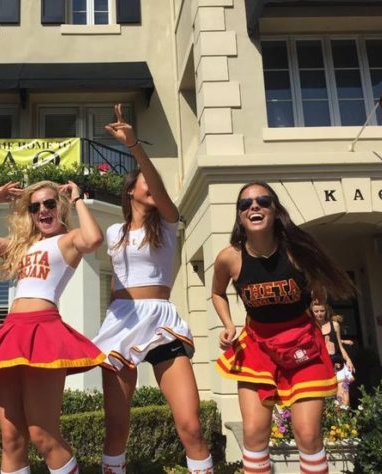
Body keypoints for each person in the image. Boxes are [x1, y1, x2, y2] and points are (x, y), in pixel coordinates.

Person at [92, 105, 213, 474]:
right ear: (130, 190)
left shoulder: (168, 224)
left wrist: (134, 146)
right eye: (143, 179)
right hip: (123, 321)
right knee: (117, 428)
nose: (152, 183)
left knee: (191, 426)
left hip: (162, 321)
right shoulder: (114, 232)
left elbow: (159, 190)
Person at [212, 182, 356, 474]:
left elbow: (319, 287)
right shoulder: (230, 258)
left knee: (308, 435)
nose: (254, 206)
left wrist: (316, 307)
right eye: (245, 204)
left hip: (302, 345)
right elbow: (217, 292)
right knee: (254, 434)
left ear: (275, 210)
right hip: (257, 347)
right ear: (240, 216)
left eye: (263, 201)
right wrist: (228, 325)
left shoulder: (297, 253)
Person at [0, 179, 105, 474]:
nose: (42, 210)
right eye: (34, 207)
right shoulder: (23, 247)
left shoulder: (69, 240)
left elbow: (94, 238)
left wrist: (78, 198)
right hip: (12, 333)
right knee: (11, 439)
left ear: (60, 207)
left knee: (43, 436)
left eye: (49, 204)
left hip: (43, 331)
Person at [311, 302, 355, 406]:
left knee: (344, 401)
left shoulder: (334, 325)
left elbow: (339, 345)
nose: (319, 314)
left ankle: (343, 416)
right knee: (326, 401)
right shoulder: (310, 328)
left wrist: (348, 360)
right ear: (312, 312)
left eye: (322, 311)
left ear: (326, 311)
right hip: (321, 366)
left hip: (337, 364)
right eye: (316, 311)